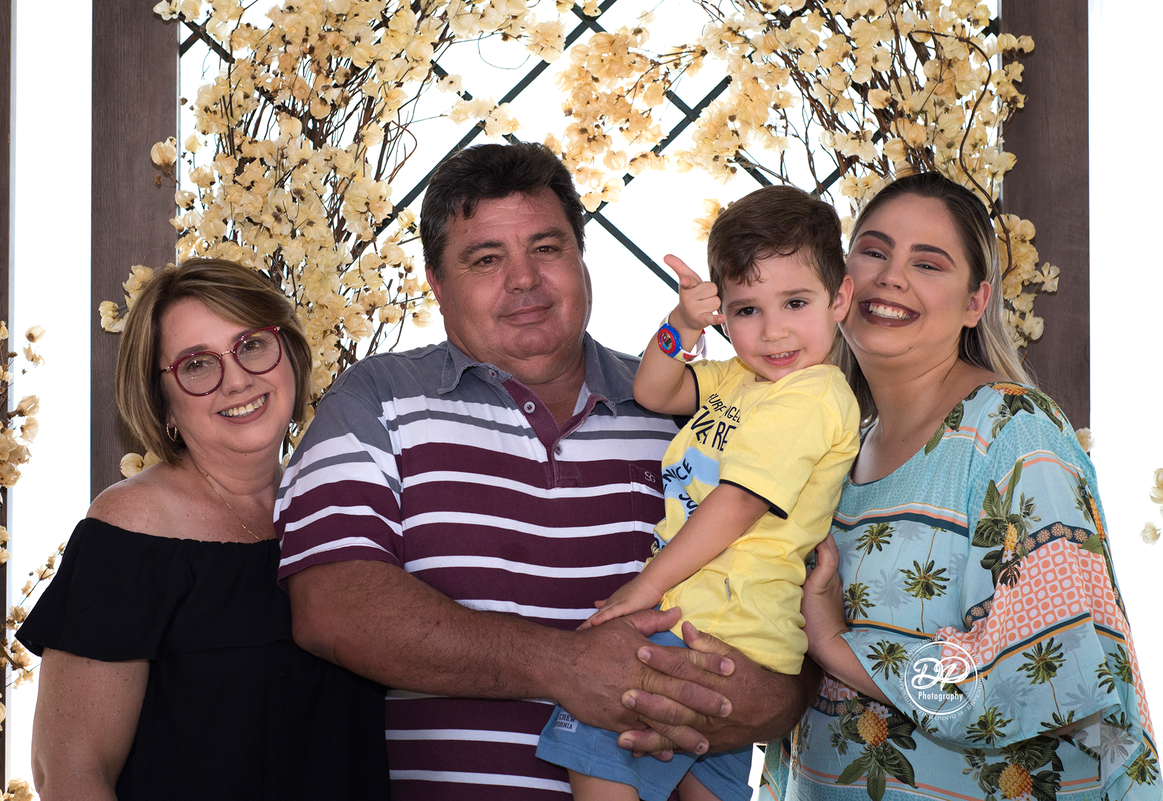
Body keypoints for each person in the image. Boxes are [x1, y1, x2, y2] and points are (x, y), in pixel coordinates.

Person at [274, 141, 819, 799]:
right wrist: (564, 665)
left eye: (546, 248)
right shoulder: (376, 399)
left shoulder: (692, 410)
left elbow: (794, 597)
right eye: (485, 259)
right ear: (437, 283)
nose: (524, 279)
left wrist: (771, 692)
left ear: (582, 260)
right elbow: (332, 606)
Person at [765, 172, 1159, 799]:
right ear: (841, 282)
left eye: (928, 264)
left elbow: (1048, 673)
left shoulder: (1012, 433)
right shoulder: (833, 449)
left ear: (976, 302)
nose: (891, 276)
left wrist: (838, 645)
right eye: (873, 250)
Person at [17, 259, 390, 800]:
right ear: (162, 401)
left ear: (289, 353)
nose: (237, 379)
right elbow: (72, 774)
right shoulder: (130, 533)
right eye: (196, 365)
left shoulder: (342, 512)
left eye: (253, 345)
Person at [535, 186, 861, 801]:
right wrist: (682, 324)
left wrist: (644, 588)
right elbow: (657, 392)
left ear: (839, 297)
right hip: (722, 624)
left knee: (596, 749)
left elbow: (738, 504)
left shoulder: (811, 394)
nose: (772, 332)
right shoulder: (742, 379)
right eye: (745, 310)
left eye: (795, 302)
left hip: (709, 619)